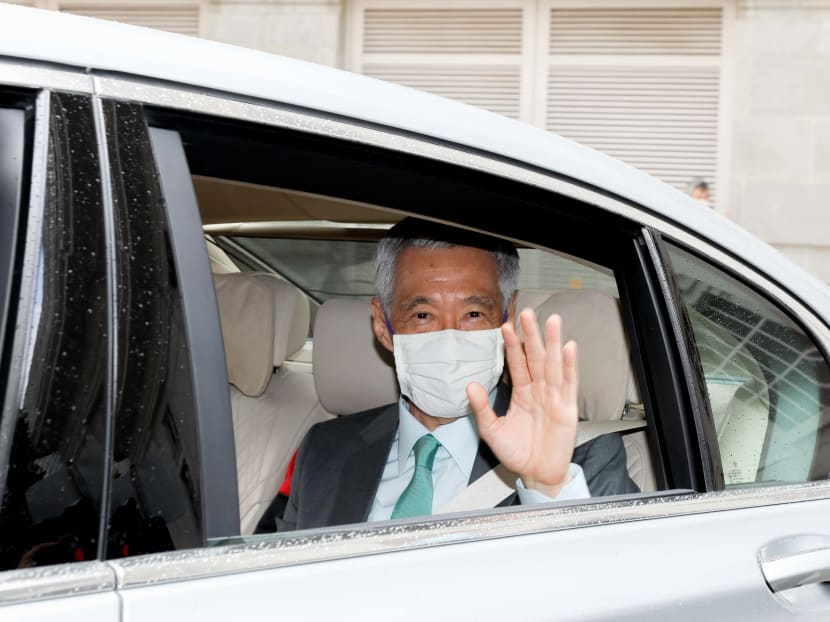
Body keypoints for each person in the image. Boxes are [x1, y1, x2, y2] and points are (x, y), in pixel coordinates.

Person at [269, 218, 637, 532]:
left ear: (507, 315)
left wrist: (547, 486)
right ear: (383, 325)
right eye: (423, 315)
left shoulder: (580, 456)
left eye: (474, 314)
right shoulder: (325, 447)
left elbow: (621, 592)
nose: (449, 339)